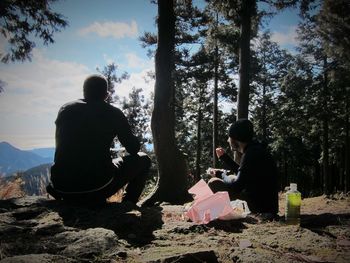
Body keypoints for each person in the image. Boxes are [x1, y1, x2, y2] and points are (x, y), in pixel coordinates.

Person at [46, 74, 151, 204]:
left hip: (60, 187)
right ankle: (128, 205)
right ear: (106, 95)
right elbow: (134, 149)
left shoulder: (65, 109)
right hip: (96, 187)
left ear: (84, 92)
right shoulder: (113, 113)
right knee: (144, 159)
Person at [208, 119, 279, 216]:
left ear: (235, 139)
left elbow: (237, 186)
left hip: (258, 207)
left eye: (229, 137)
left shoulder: (250, 153)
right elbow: (245, 174)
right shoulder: (256, 149)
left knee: (214, 182)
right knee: (232, 177)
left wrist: (220, 174)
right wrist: (224, 158)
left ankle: (220, 211)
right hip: (269, 206)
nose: (228, 140)